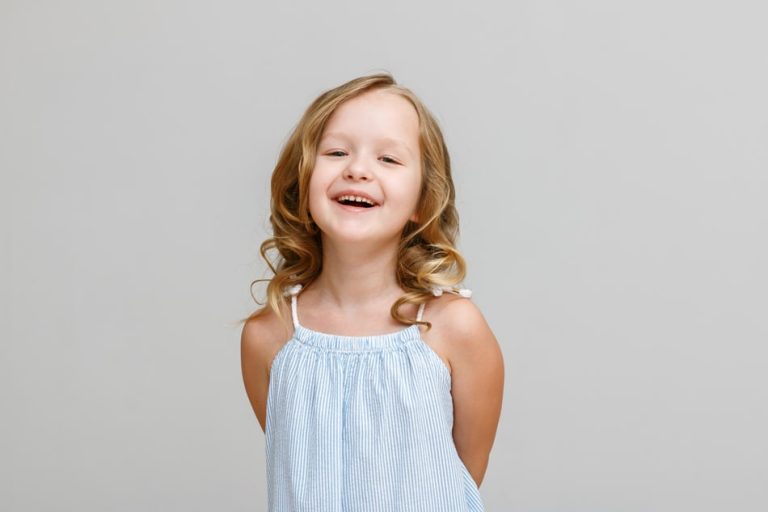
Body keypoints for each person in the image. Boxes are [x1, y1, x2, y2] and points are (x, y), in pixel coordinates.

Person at [240, 72, 504, 511]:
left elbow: (462, 478)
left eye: (388, 159)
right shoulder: (269, 336)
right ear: (302, 180)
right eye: (336, 152)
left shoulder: (454, 329)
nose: (357, 169)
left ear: (423, 199)